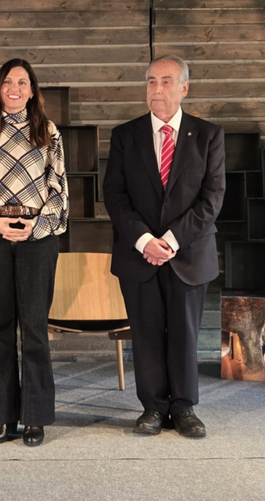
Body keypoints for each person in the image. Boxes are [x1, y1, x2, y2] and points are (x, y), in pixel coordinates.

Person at [104, 54, 225, 439]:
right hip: (139, 254)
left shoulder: (208, 135)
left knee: (185, 334)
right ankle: (153, 408)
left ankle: (184, 407)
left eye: (166, 81)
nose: (157, 89)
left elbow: (212, 198)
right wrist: (145, 241)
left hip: (188, 253)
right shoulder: (125, 135)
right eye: (151, 81)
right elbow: (115, 195)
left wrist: (170, 241)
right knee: (146, 333)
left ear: (184, 87)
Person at [0, 59, 69, 447]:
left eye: (22, 82)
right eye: (8, 82)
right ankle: (3, 416)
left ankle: (35, 417)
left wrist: (33, 227)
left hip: (37, 238)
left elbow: (59, 191)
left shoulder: (48, 131)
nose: (14, 88)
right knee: (1, 329)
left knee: (35, 328)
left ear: (32, 90)